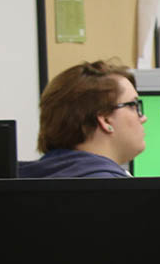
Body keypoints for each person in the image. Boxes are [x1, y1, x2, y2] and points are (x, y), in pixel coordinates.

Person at [19, 59, 147, 178]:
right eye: (134, 106)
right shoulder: (117, 192)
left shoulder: (20, 182)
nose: (143, 118)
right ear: (106, 120)